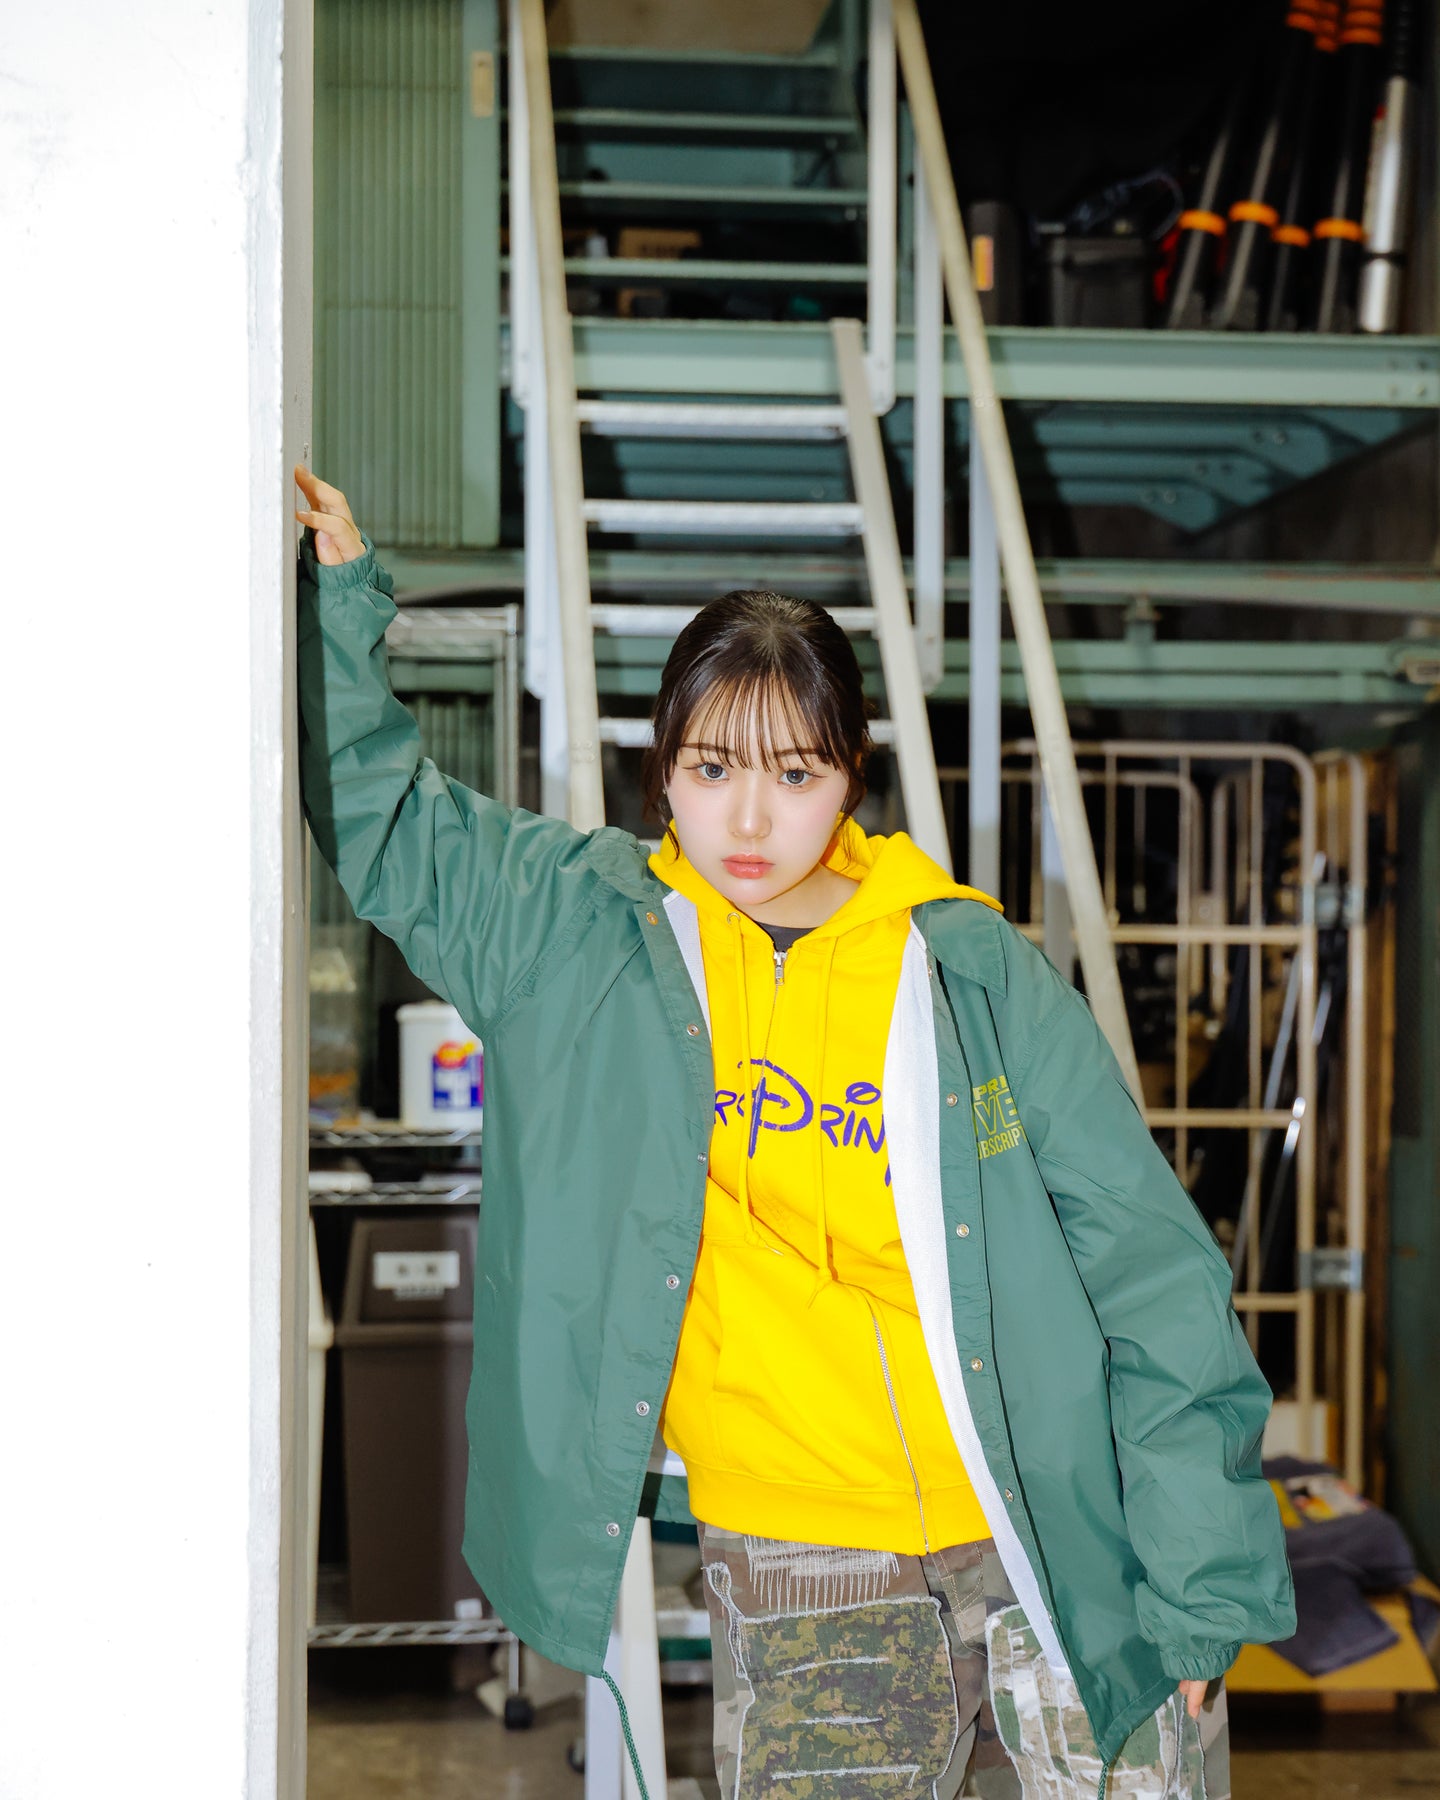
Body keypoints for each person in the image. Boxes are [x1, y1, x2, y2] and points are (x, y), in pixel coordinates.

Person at [295, 466, 1295, 1800]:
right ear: (665, 771)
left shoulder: (968, 971)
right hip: (804, 1567)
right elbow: (385, 820)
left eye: (796, 772)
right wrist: (340, 602)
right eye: (712, 770)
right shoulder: (573, 936)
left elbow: (1151, 1274)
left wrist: (1200, 1581)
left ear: (850, 778)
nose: (751, 820)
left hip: (1057, 1536)